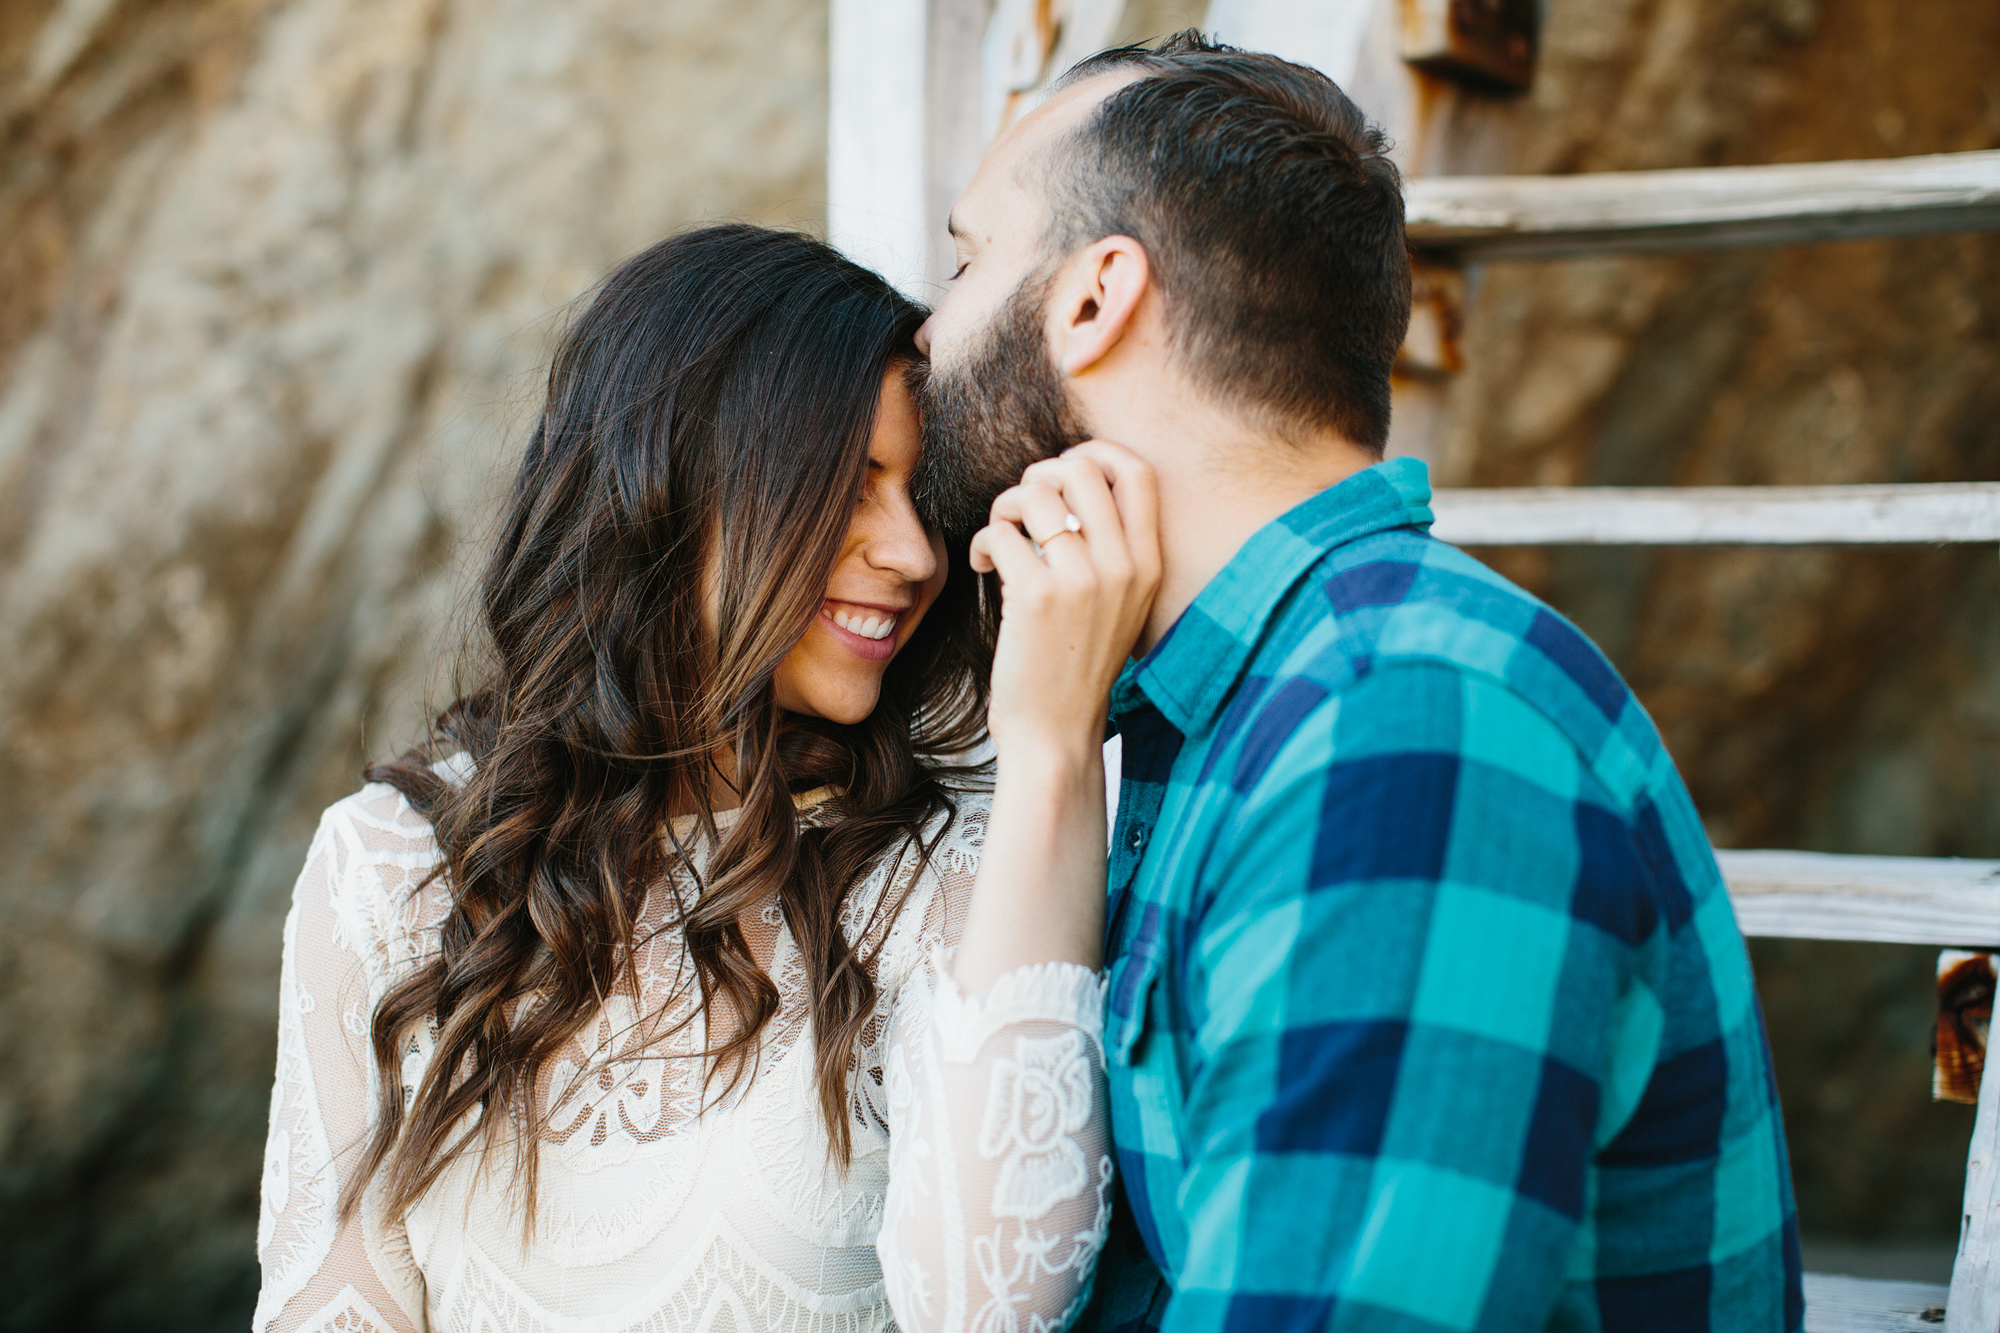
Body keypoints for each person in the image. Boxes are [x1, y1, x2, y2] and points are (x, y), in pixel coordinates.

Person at [915, 32, 1805, 1332]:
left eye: (967, 259)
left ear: (1096, 298)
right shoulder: (1254, 698)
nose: (930, 328)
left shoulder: (1403, 727)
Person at [252, 224, 1160, 1333]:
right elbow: (328, 1305)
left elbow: (994, 1307)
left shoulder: (943, 866)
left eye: (918, 493)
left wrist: (1049, 751)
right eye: (845, 486)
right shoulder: (391, 863)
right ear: (670, 486)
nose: (913, 553)